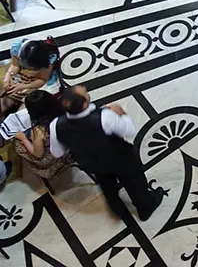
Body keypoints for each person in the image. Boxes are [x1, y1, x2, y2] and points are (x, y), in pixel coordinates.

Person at [49, 85, 166, 222]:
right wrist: (121, 112)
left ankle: (116, 207)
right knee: (134, 181)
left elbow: (57, 153)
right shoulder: (105, 117)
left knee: (106, 183)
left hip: (91, 162)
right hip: (119, 158)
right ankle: (145, 207)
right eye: (85, 92)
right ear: (85, 103)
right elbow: (129, 130)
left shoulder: (56, 125)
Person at [12, 90, 71, 182]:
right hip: (70, 146)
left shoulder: (39, 131)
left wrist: (23, 138)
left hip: (54, 158)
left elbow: (38, 154)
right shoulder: (66, 107)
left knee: (18, 145)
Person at [1, 39, 59, 114]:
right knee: (7, 96)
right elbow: (15, 65)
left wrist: (25, 86)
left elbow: (43, 79)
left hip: (39, 81)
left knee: (31, 106)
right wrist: (8, 75)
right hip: (22, 76)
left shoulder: (49, 57)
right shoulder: (17, 48)